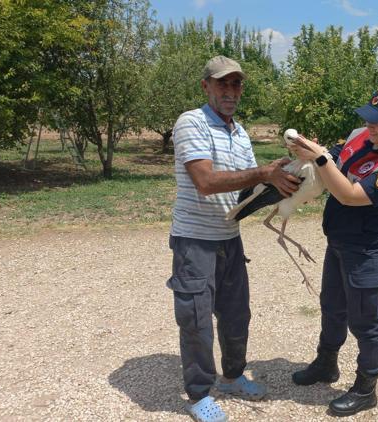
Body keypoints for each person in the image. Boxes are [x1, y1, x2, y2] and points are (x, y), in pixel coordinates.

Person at [167, 55, 299, 422]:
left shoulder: (239, 132)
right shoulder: (191, 123)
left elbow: (250, 184)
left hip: (229, 237)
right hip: (194, 240)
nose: (230, 90)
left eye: (236, 83)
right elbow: (206, 182)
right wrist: (263, 173)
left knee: (237, 314)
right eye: (222, 83)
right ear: (205, 86)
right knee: (195, 319)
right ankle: (197, 395)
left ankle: (232, 376)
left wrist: (293, 171)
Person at [287, 86, 378, 416]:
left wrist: (319, 158)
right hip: (339, 242)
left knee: (366, 321)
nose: (369, 126)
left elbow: (348, 194)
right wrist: (306, 152)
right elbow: (332, 160)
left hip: (367, 250)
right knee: (332, 306)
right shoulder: (361, 136)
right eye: (368, 118)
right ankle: (326, 363)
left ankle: (365, 388)